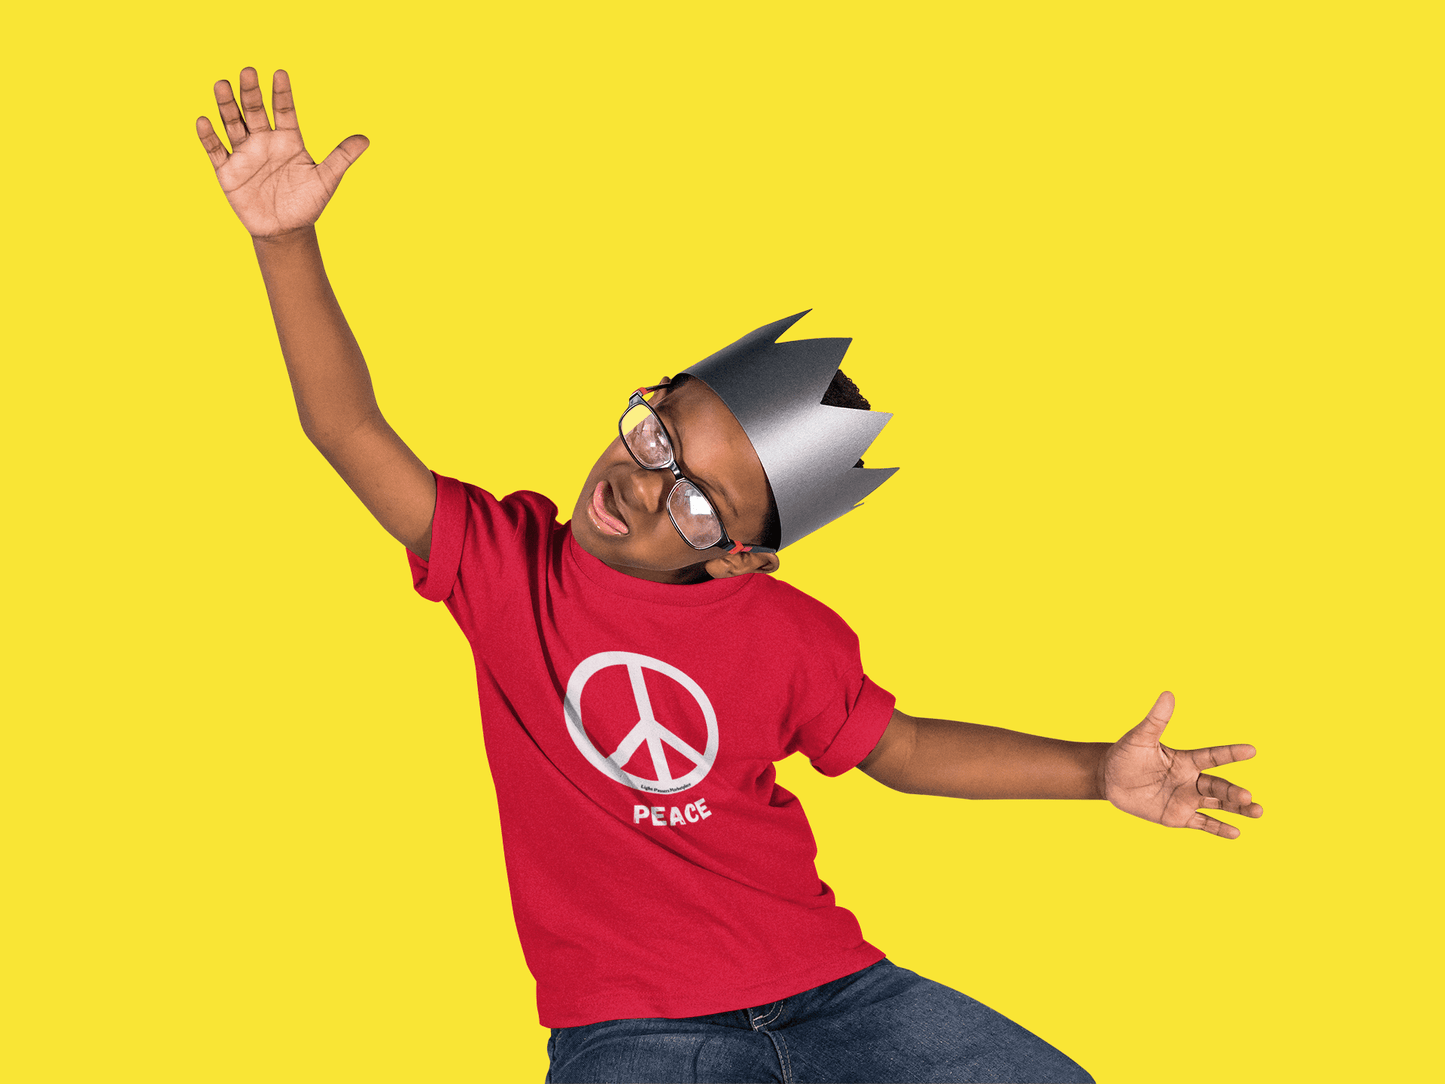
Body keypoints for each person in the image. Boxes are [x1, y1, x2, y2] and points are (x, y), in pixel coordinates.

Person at [196, 67, 1263, 1084]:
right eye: (657, 436)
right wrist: (286, 244)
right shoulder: (500, 563)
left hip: (835, 991)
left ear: (740, 554)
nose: (645, 484)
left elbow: (894, 747)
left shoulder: (790, 632)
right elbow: (344, 426)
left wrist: (1093, 771)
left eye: (698, 501)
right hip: (629, 1027)